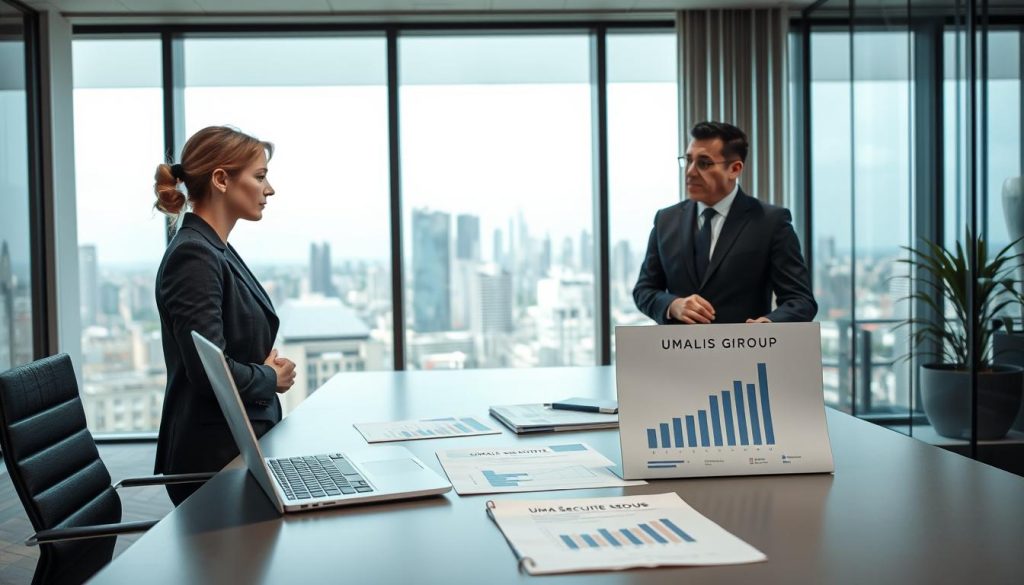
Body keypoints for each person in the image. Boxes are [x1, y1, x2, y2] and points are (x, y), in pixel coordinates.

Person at [152, 125, 296, 505]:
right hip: (214, 463)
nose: (270, 189)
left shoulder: (214, 248)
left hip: (237, 449)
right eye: (260, 176)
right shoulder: (195, 256)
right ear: (221, 179)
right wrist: (270, 376)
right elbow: (209, 372)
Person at [633, 121, 816, 325]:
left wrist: (769, 324)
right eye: (688, 160)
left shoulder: (770, 222)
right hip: (678, 353)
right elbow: (644, 290)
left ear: (735, 169)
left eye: (704, 163)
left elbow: (801, 301)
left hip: (744, 352)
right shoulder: (666, 220)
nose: (690, 172)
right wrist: (672, 305)